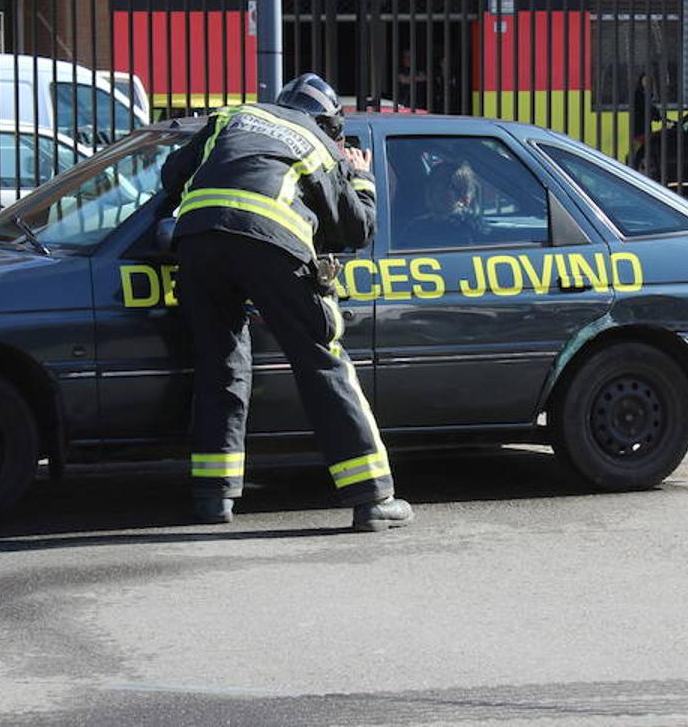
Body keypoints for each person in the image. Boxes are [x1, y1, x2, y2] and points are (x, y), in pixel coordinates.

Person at [159, 73, 413, 532]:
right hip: (271, 245)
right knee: (322, 361)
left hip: (198, 242)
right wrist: (360, 177)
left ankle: (214, 498)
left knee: (220, 363)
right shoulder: (317, 142)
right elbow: (356, 232)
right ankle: (372, 497)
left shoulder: (234, 116)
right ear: (329, 122)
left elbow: (172, 176)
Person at [400, 160, 482, 249]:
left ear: (463, 197)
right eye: (431, 182)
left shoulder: (469, 229)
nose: (434, 190)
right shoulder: (414, 228)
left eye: (445, 185)